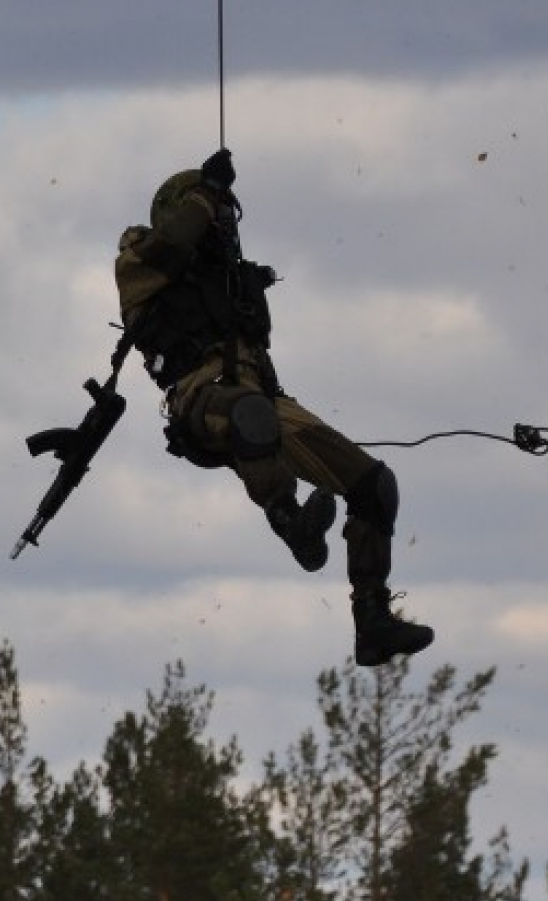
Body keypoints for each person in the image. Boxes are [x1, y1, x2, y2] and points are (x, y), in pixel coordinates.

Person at [116, 147, 434, 666]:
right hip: (200, 401)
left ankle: (372, 619)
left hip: (261, 400)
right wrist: (208, 191)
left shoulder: (228, 278)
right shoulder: (141, 261)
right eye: (210, 212)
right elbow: (175, 243)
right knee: (250, 412)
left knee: (375, 485)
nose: (219, 223)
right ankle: (291, 524)